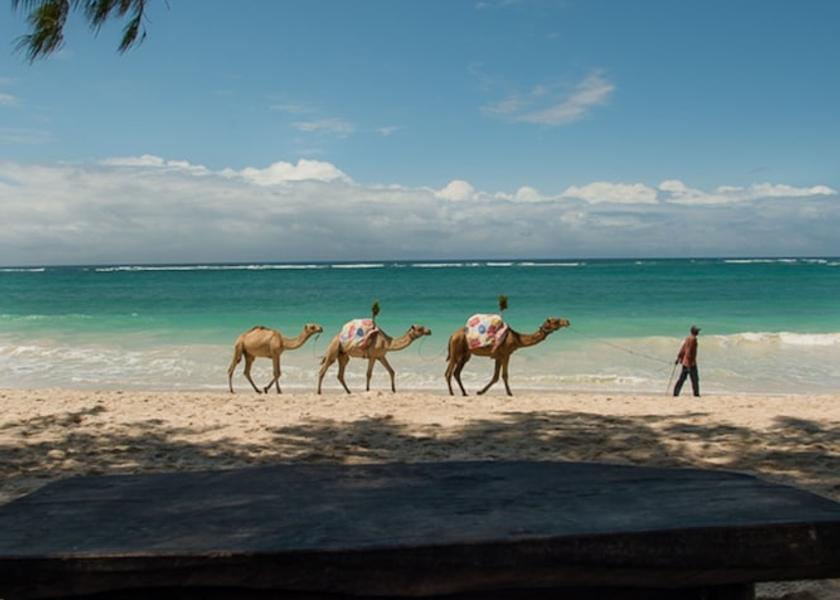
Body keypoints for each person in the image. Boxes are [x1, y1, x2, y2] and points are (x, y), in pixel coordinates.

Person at [673, 325, 700, 397]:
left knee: (682, 379)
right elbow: (689, 351)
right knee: (695, 379)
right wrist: (690, 363)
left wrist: (679, 358)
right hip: (690, 363)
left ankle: (675, 393)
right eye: (697, 331)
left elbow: (683, 349)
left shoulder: (687, 338)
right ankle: (696, 394)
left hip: (685, 362)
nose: (698, 332)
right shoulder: (693, 339)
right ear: (694, 331)